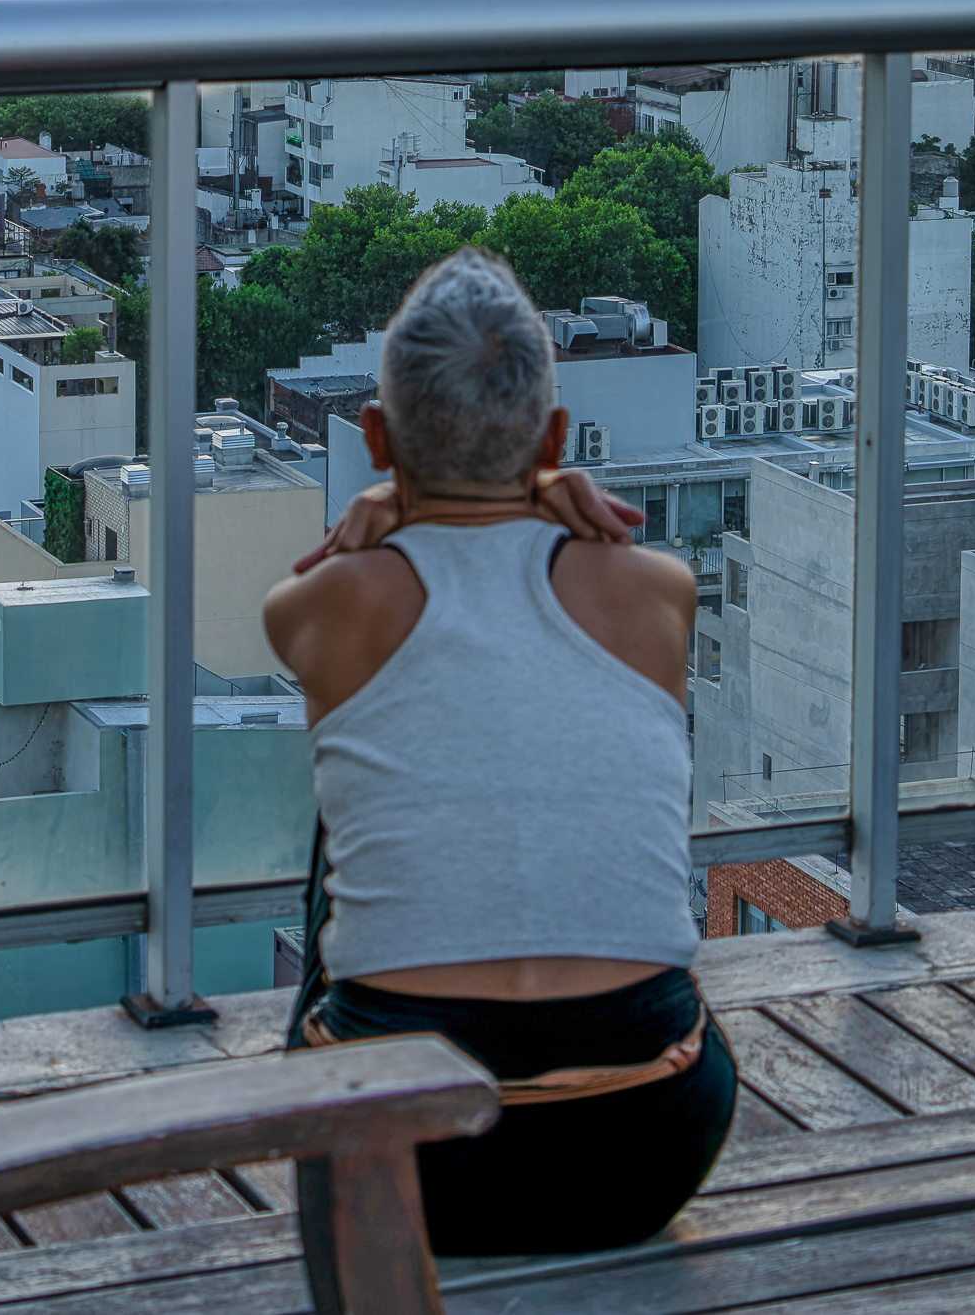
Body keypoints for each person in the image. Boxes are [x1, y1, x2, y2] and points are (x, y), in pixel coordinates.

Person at [262, 247, 737, 1259]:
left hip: (400, 1161)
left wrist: (390, 503)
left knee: (351, 789)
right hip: (644, 1143)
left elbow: (378, 567)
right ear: (555, 436)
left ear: (375, 437)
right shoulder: (658, 593)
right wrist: (545, 486)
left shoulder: (316, 608)